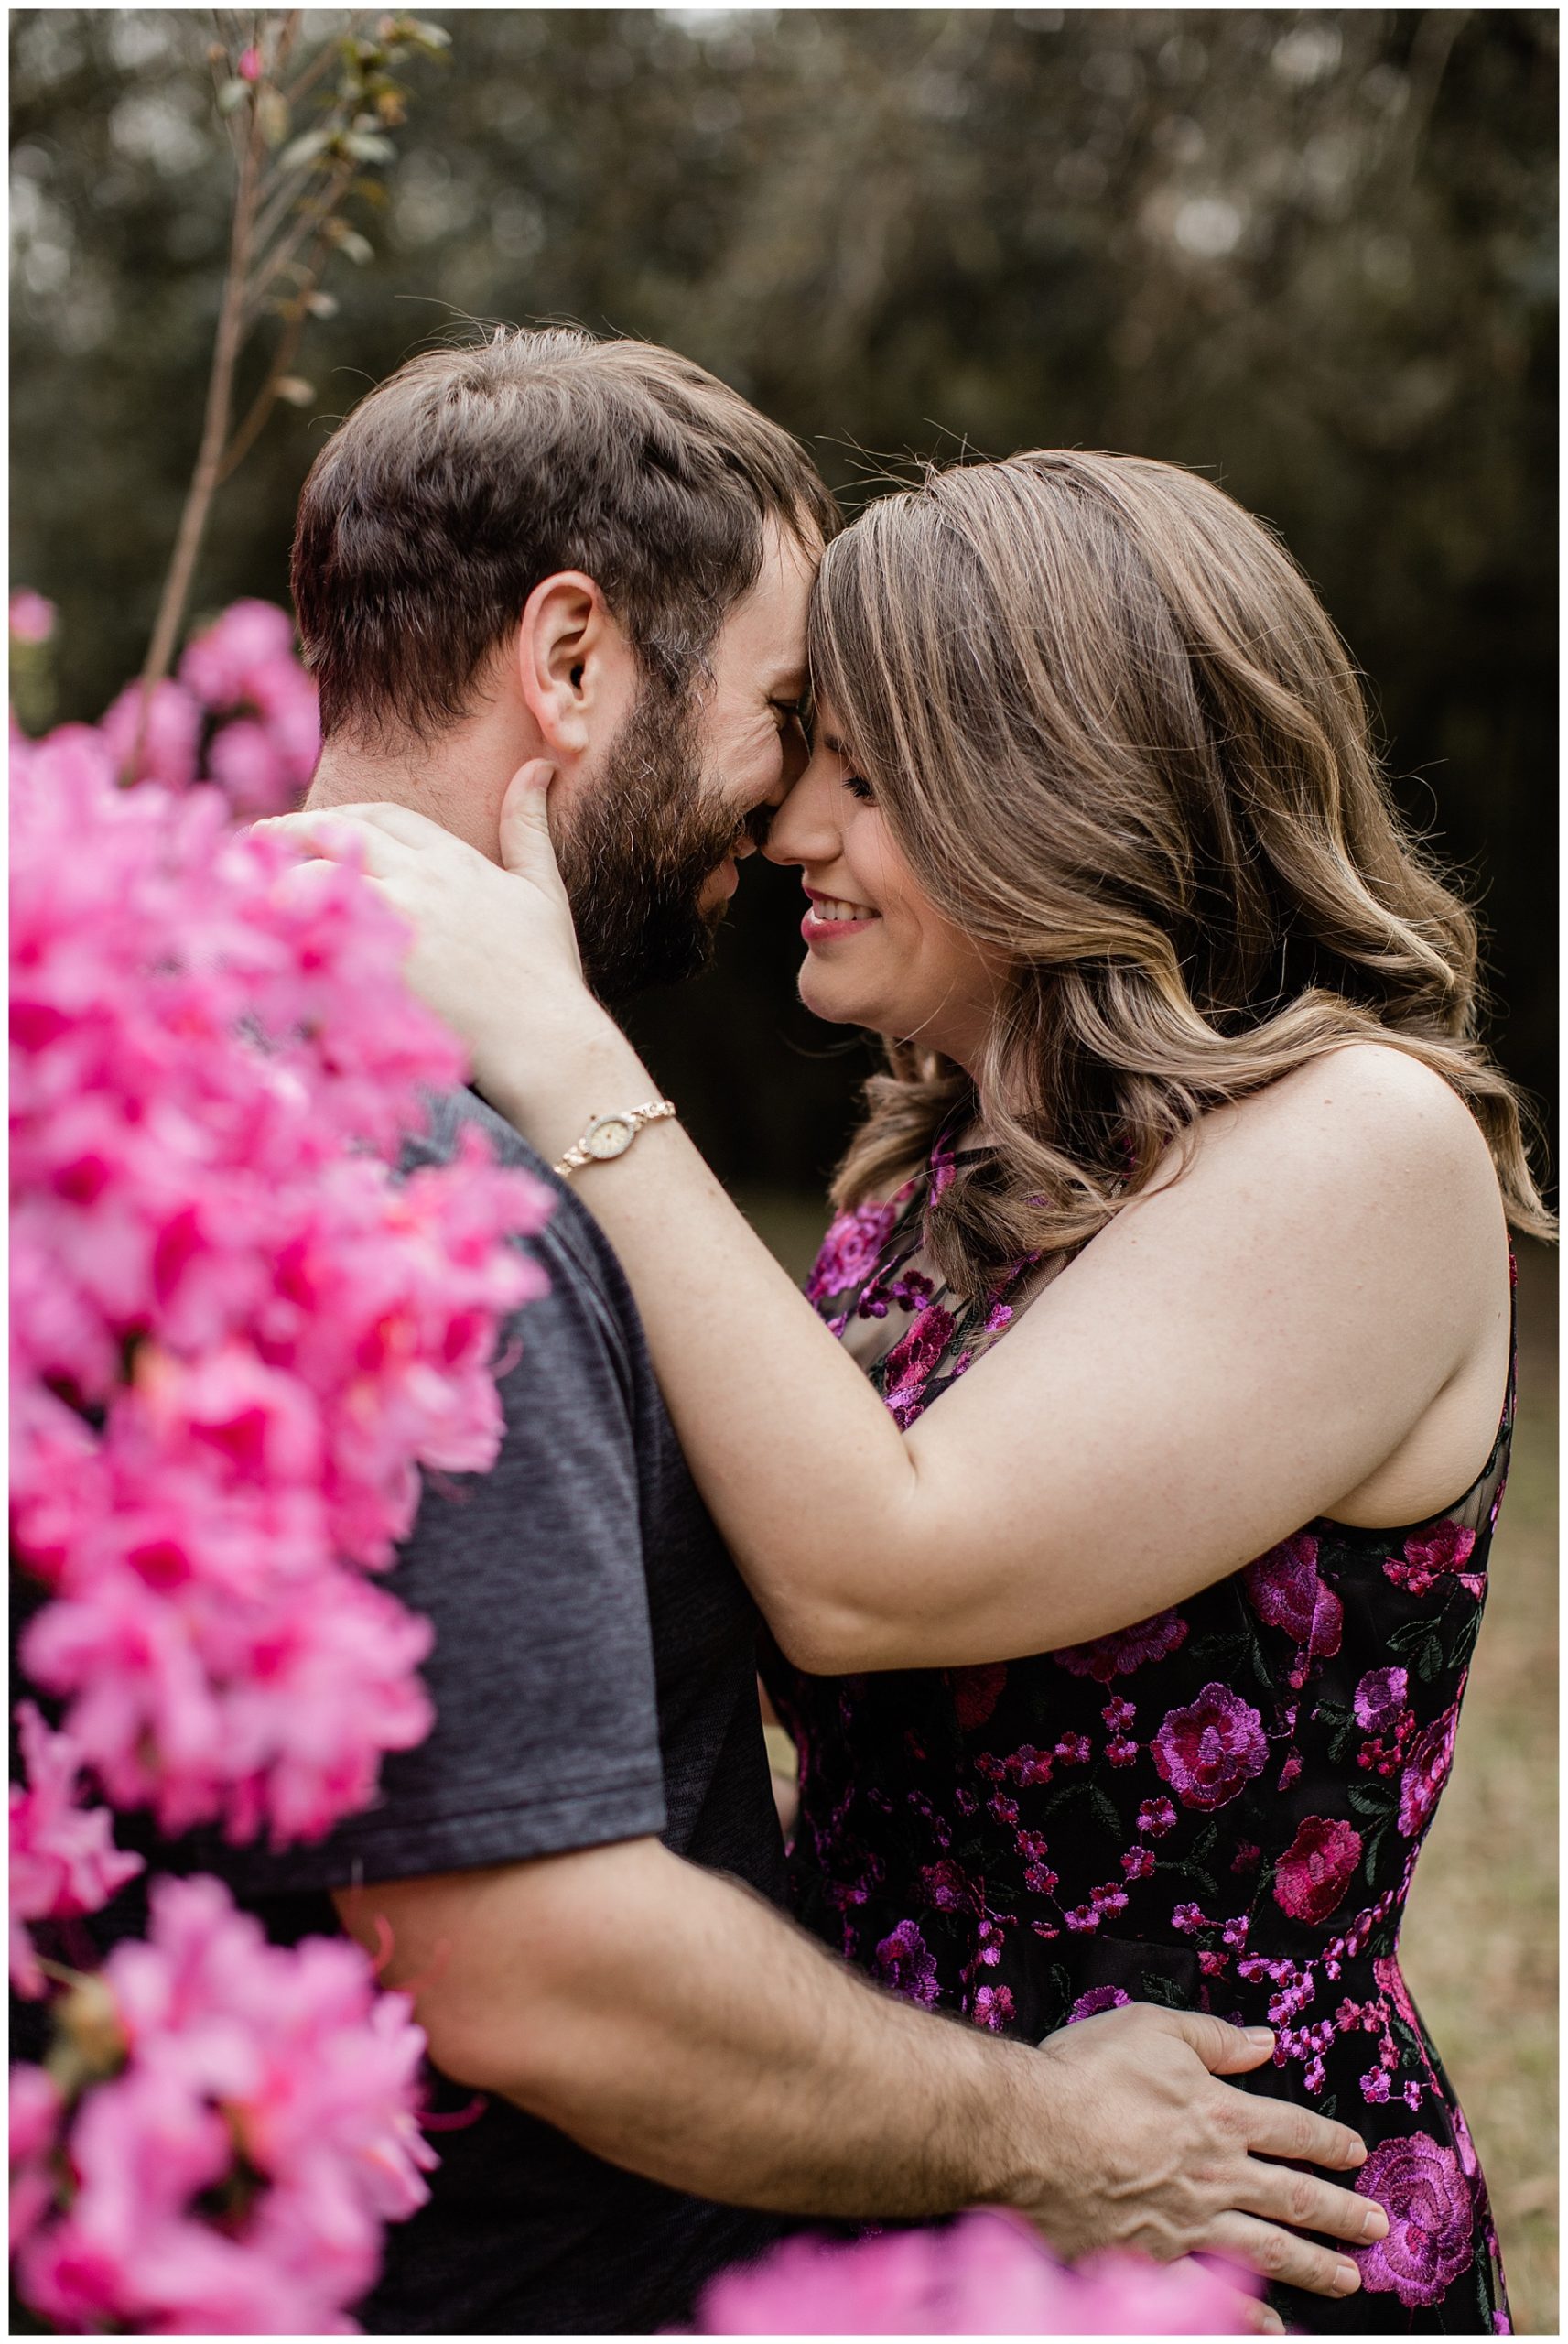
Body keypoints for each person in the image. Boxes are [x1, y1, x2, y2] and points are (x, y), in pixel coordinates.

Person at [276, 445, 1552, 2334]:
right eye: (806, 758)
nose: (790, 825)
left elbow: (872, 1569)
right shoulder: (924, 1195)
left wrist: (561, 1049)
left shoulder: (1361, 1146)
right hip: (899, 2170)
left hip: (1200, 2211)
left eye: (862, 777)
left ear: (1056, 785)